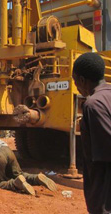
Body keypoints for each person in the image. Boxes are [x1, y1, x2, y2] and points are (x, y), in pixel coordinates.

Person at [72, 52, 111, 214]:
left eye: (75, 81)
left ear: (82, 80)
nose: (76, 87)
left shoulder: (93, 104)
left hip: (104, 193)